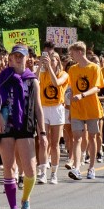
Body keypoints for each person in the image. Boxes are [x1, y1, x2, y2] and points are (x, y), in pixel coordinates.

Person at [0, 45, 42, 209]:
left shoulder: (32, 80)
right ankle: (13, 208)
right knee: (9, 166)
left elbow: (38, 109)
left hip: (25, 124)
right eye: (15, 56)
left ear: (27, 58)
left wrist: (42, 133)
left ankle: (25, 200)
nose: (18, 58)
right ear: (11, 58)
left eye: (21, 56)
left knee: (30, 168)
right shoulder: (4, 77)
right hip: (6, 124)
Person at [66, 42, 104, 182]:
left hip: (92, 108)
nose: (71, 56)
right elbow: (70, 86)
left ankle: (91, 168)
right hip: (77, 108)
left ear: (80, 52)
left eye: (73, 53)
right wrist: (69, 93)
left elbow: (96, 88)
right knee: (77, 138)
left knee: (93, 138)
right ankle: (76, 168)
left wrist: (82, 95)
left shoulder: (94, 68)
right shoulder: (72, 69)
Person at [36, 51, 68, 185]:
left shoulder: (64, 74)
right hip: (43, 108)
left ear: (58, 62)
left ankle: (54, 173)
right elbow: (33, 81)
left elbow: (56, 83)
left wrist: (49, 68)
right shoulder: (42, 73)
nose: (51, 62)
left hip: (57, 108)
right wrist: (39, 66)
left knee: (54, 144)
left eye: (53, 60)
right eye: (49, 60)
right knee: (43, 142)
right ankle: (43, 172)